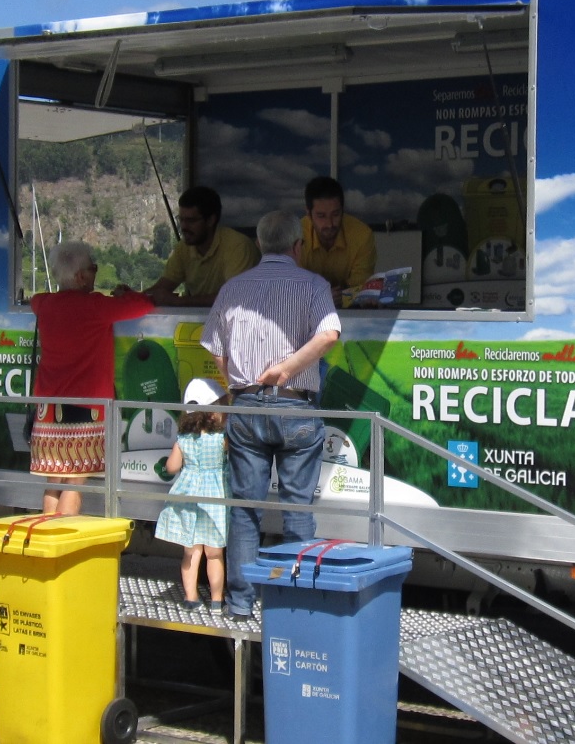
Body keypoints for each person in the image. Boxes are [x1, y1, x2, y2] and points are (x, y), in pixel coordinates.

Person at [201, 210, 342, 621]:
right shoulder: (314, 284)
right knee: (298, 507)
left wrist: (237, 384)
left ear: (260, 245)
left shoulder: (233, 287)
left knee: (246, 508)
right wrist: (290, 367)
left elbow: (212, 344)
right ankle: (297, 601)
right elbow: (330, 333)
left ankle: (241, 602)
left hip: (246, 405)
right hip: (296, 405)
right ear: (298, 246)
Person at [30, 241, 154, 514]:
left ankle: (45, 538)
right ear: (80, 277)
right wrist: (126, 293)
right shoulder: (96, 307)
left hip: (47, 409)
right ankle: (62, 545)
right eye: (93, 268)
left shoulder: (44, 304)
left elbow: (34, 300)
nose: (96, 273)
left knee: (53, 480)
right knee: (75, 482)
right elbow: (144, 304)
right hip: (86, 409)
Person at [154, 378, 231, 612]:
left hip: (188, 497)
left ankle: (191, 597)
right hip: (215, 498)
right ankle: (217, 600)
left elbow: (172, 467)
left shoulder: (183, 440)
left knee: (191, 551)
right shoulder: (221, 439)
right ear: (214, 412)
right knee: (215, 553)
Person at [147, 186, 260, 306]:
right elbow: (162, 288)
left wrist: (179, 301)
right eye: (181, 220)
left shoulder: (238, 246)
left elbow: (235, 297)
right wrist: (130, 296)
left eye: (191, 221)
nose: (184, 227)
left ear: (211, 220)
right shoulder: (183, 248)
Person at [299, 176, 377, 301]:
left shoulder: (362, 235)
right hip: (306, 311)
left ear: (343, 210)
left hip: (350, 311)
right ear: (308, 214)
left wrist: (344, 296)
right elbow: (291, 288)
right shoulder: (295, 235)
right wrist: (320, 297)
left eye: (335, 214)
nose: (329, 224)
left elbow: (362, 288)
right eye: (321, 216)